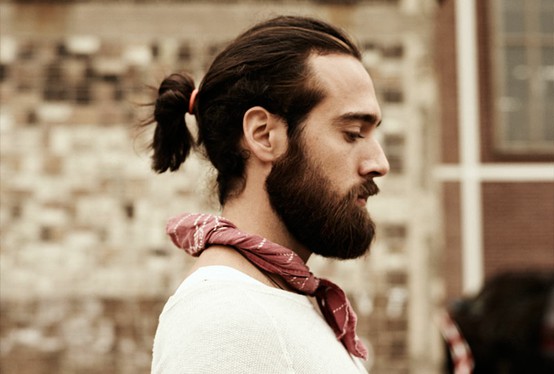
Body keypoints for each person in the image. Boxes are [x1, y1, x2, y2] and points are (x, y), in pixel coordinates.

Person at [146, 15, 389, 373]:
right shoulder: (223, 320)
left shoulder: (271, 303)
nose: (379, 163)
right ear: (263, 135)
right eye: (353, 133)